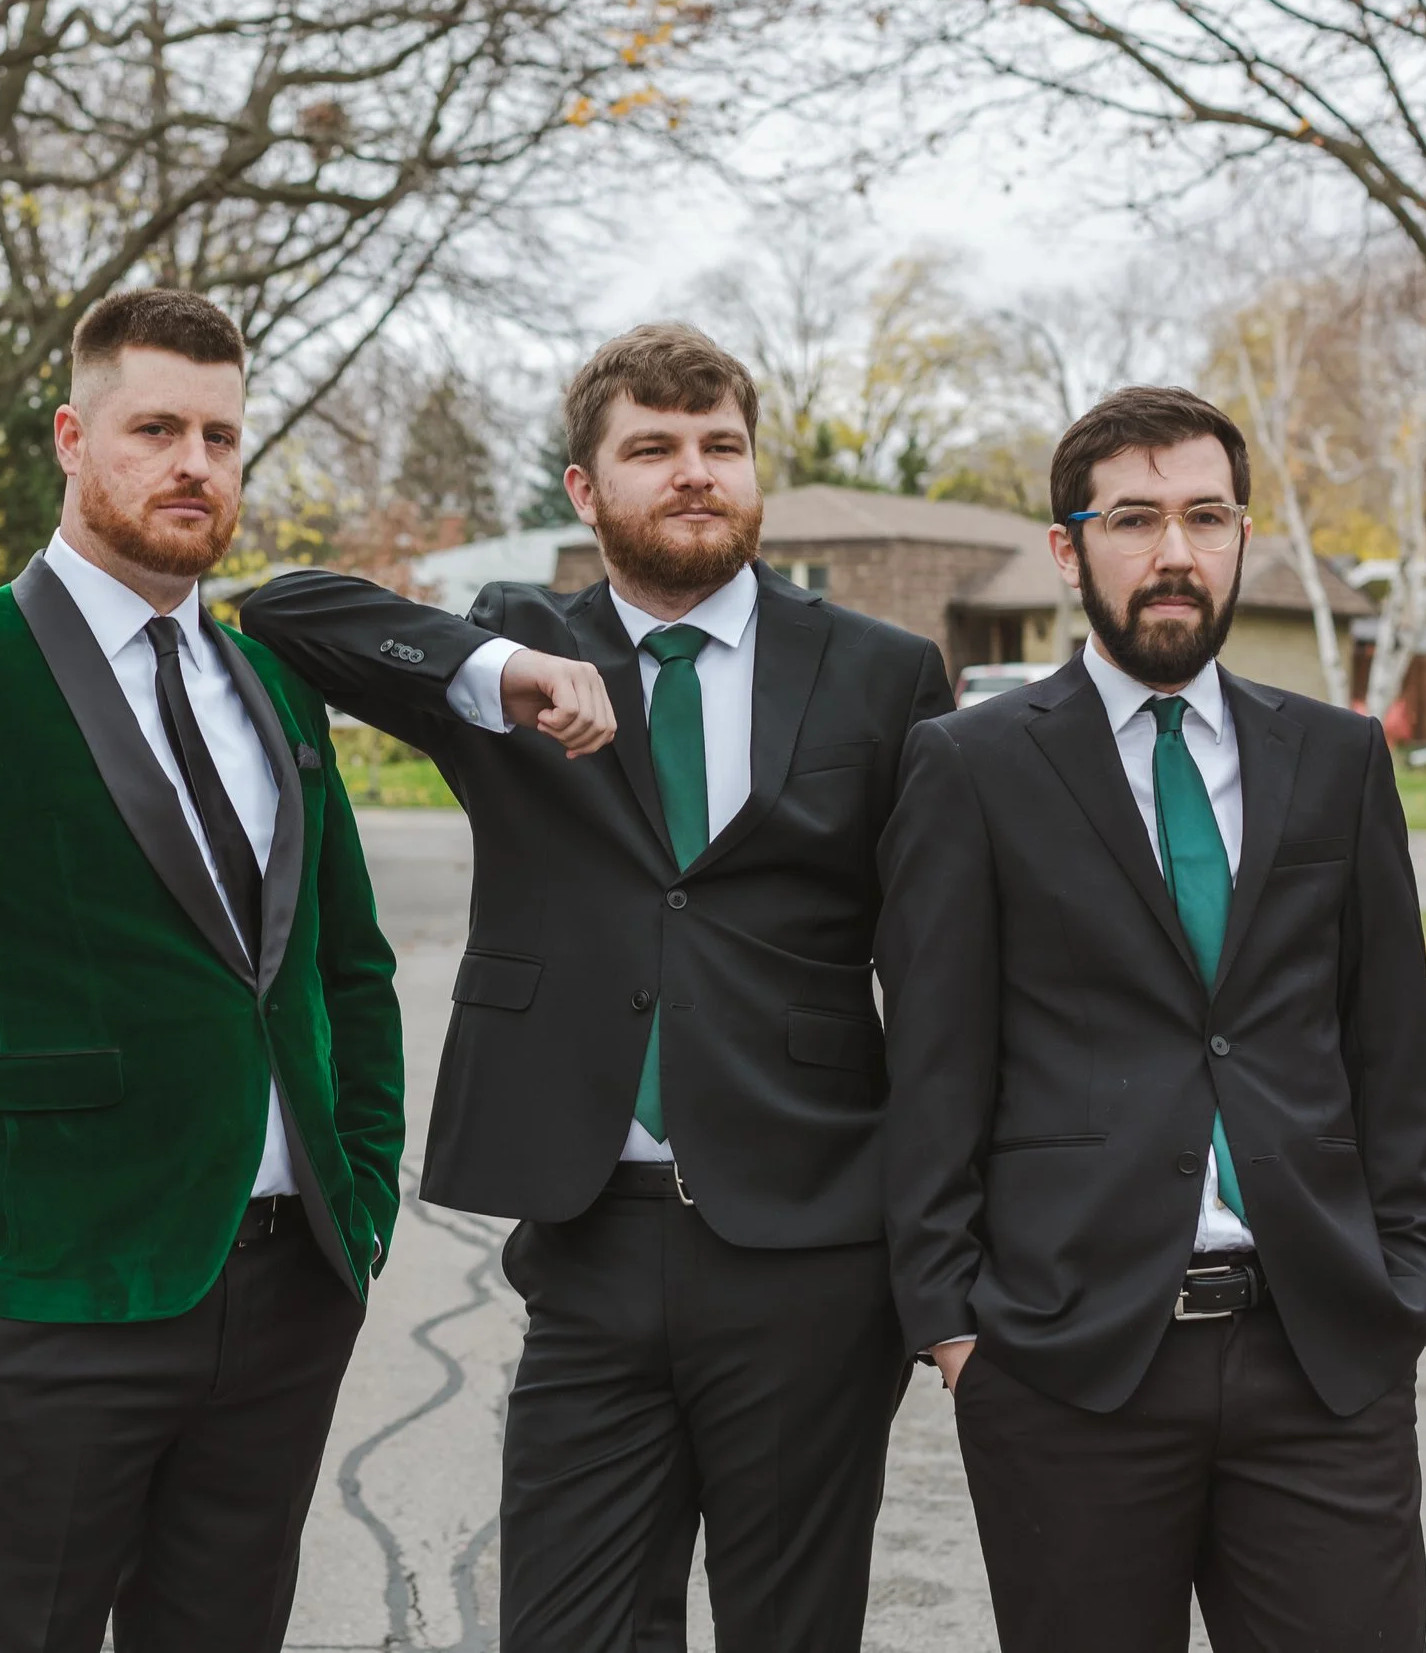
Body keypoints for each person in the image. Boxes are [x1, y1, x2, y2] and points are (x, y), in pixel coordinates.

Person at [240, 323, 953, 1652]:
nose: (696, 472)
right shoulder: (513, 648)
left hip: (811, 1248)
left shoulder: (878, 671)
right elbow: (283, 609)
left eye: (721, 447)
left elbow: (939, 968)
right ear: (584, 487)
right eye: (655, 448)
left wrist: (942, 1246)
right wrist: (492, 674)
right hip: (589, 1241)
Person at [0, 287, 406, 1653]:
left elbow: (345, 963)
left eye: (220, 433)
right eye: (155, 426)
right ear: (73, 435)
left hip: (285, 1288)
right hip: (48, 1291)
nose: (193, 462)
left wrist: (362, 1199)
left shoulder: (270, 680)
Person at [877, 385, 1426, 1651]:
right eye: (1134, 518)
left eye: (1206, 515)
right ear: (1068, 546)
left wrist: (1416, 1275)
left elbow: (1389, 1042)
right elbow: (930, 1059)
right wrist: (954, 1324)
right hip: (1068, 1360)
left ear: (1241, 533)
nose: (1175, 552)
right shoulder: (971, 765)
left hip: (1321, 1349)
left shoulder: (1337, 755)